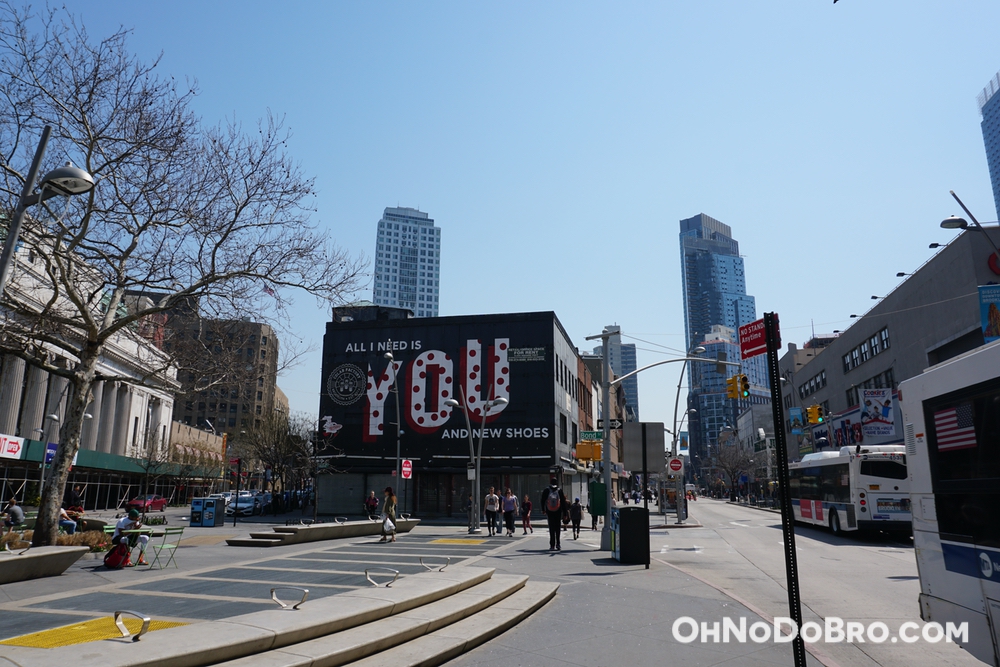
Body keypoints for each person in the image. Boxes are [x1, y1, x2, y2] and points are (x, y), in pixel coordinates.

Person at [540, 477, 567, 551]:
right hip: (558, 511)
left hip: (550, 511)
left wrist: (543, 509)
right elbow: (563, 503)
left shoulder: (547, 490)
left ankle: (552, 545)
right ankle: (558, 543)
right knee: (558, 528)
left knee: (551, 528)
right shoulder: (559, 490)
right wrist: (565, 513)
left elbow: (542, 500)